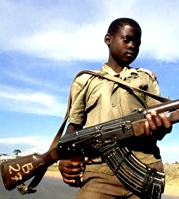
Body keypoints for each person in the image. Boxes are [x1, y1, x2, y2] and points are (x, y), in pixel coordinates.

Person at [59, 18, 173, 199]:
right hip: (99, 175)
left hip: (144, 173)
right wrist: (64, 157)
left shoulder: (145, 79)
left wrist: (162, 126)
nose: (132, 46)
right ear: (108, 39)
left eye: (137, 42)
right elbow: (74, 127)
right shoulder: (86, 81)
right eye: (127, 39)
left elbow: (159, 123)